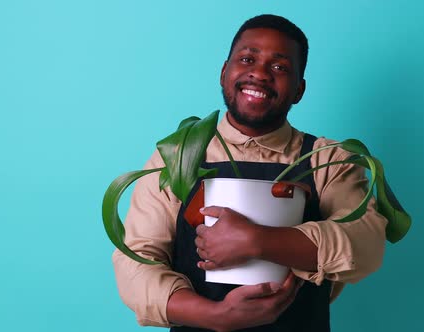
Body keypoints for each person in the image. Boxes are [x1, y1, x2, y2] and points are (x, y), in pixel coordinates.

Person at [112, 14, 387, 331]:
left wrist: (258, 241)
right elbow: (137, 261)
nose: (259, 73)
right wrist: (215, 317)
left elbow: (366, 245)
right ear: (223, 72)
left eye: (280, 67)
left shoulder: (328, 160)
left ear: (299, 90)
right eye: (247, 59)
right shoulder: (177, 157)